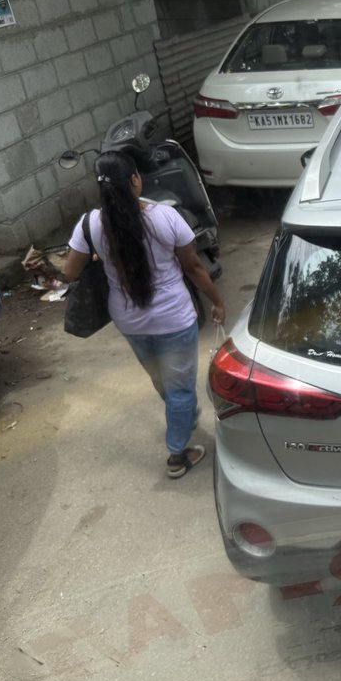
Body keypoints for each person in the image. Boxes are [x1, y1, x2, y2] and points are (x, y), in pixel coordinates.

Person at [62, 151, 226, 479]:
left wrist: (100, 258)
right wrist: (216, 301)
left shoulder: (90, 224)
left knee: (162, 381)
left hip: (130, 322)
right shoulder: (165, 217)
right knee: (180, 389)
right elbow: (193, 266)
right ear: (135, 180)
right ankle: (178, 455)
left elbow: (69, 271)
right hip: (174, 320)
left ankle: (182, 413)